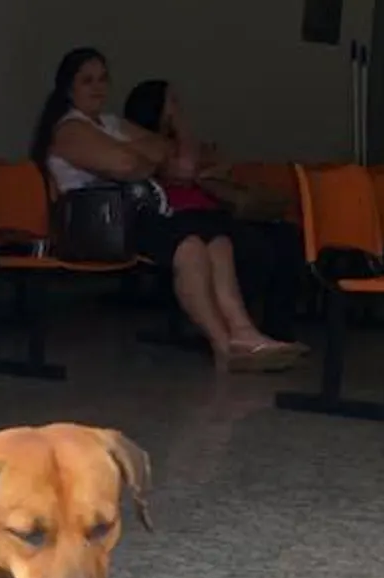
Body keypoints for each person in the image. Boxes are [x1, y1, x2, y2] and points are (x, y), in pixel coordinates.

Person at [32, 47, 303, 373]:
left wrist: (138, 155)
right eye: (87, 80)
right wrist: (140, 156)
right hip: (101, 223)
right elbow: (126, 165)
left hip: (137, 213)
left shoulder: (109, 123)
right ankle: (223, 346)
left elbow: (169, 153)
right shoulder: (68, 129)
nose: (98, 87)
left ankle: (244, 333)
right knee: (189, 245)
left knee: (217, 239)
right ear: (68, 88)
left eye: (103, 79)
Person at [121, 78, 304, 345]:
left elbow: (211, 163)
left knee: (287, 238)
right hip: (180, 218)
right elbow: (186, 167)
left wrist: (202, 167)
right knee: (254, 248)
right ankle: (227, 323)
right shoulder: (148, 143)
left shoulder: (181, 145)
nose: (178, 108)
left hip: (215, 211)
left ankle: (278, 332)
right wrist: (181, 128)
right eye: (172, 102)